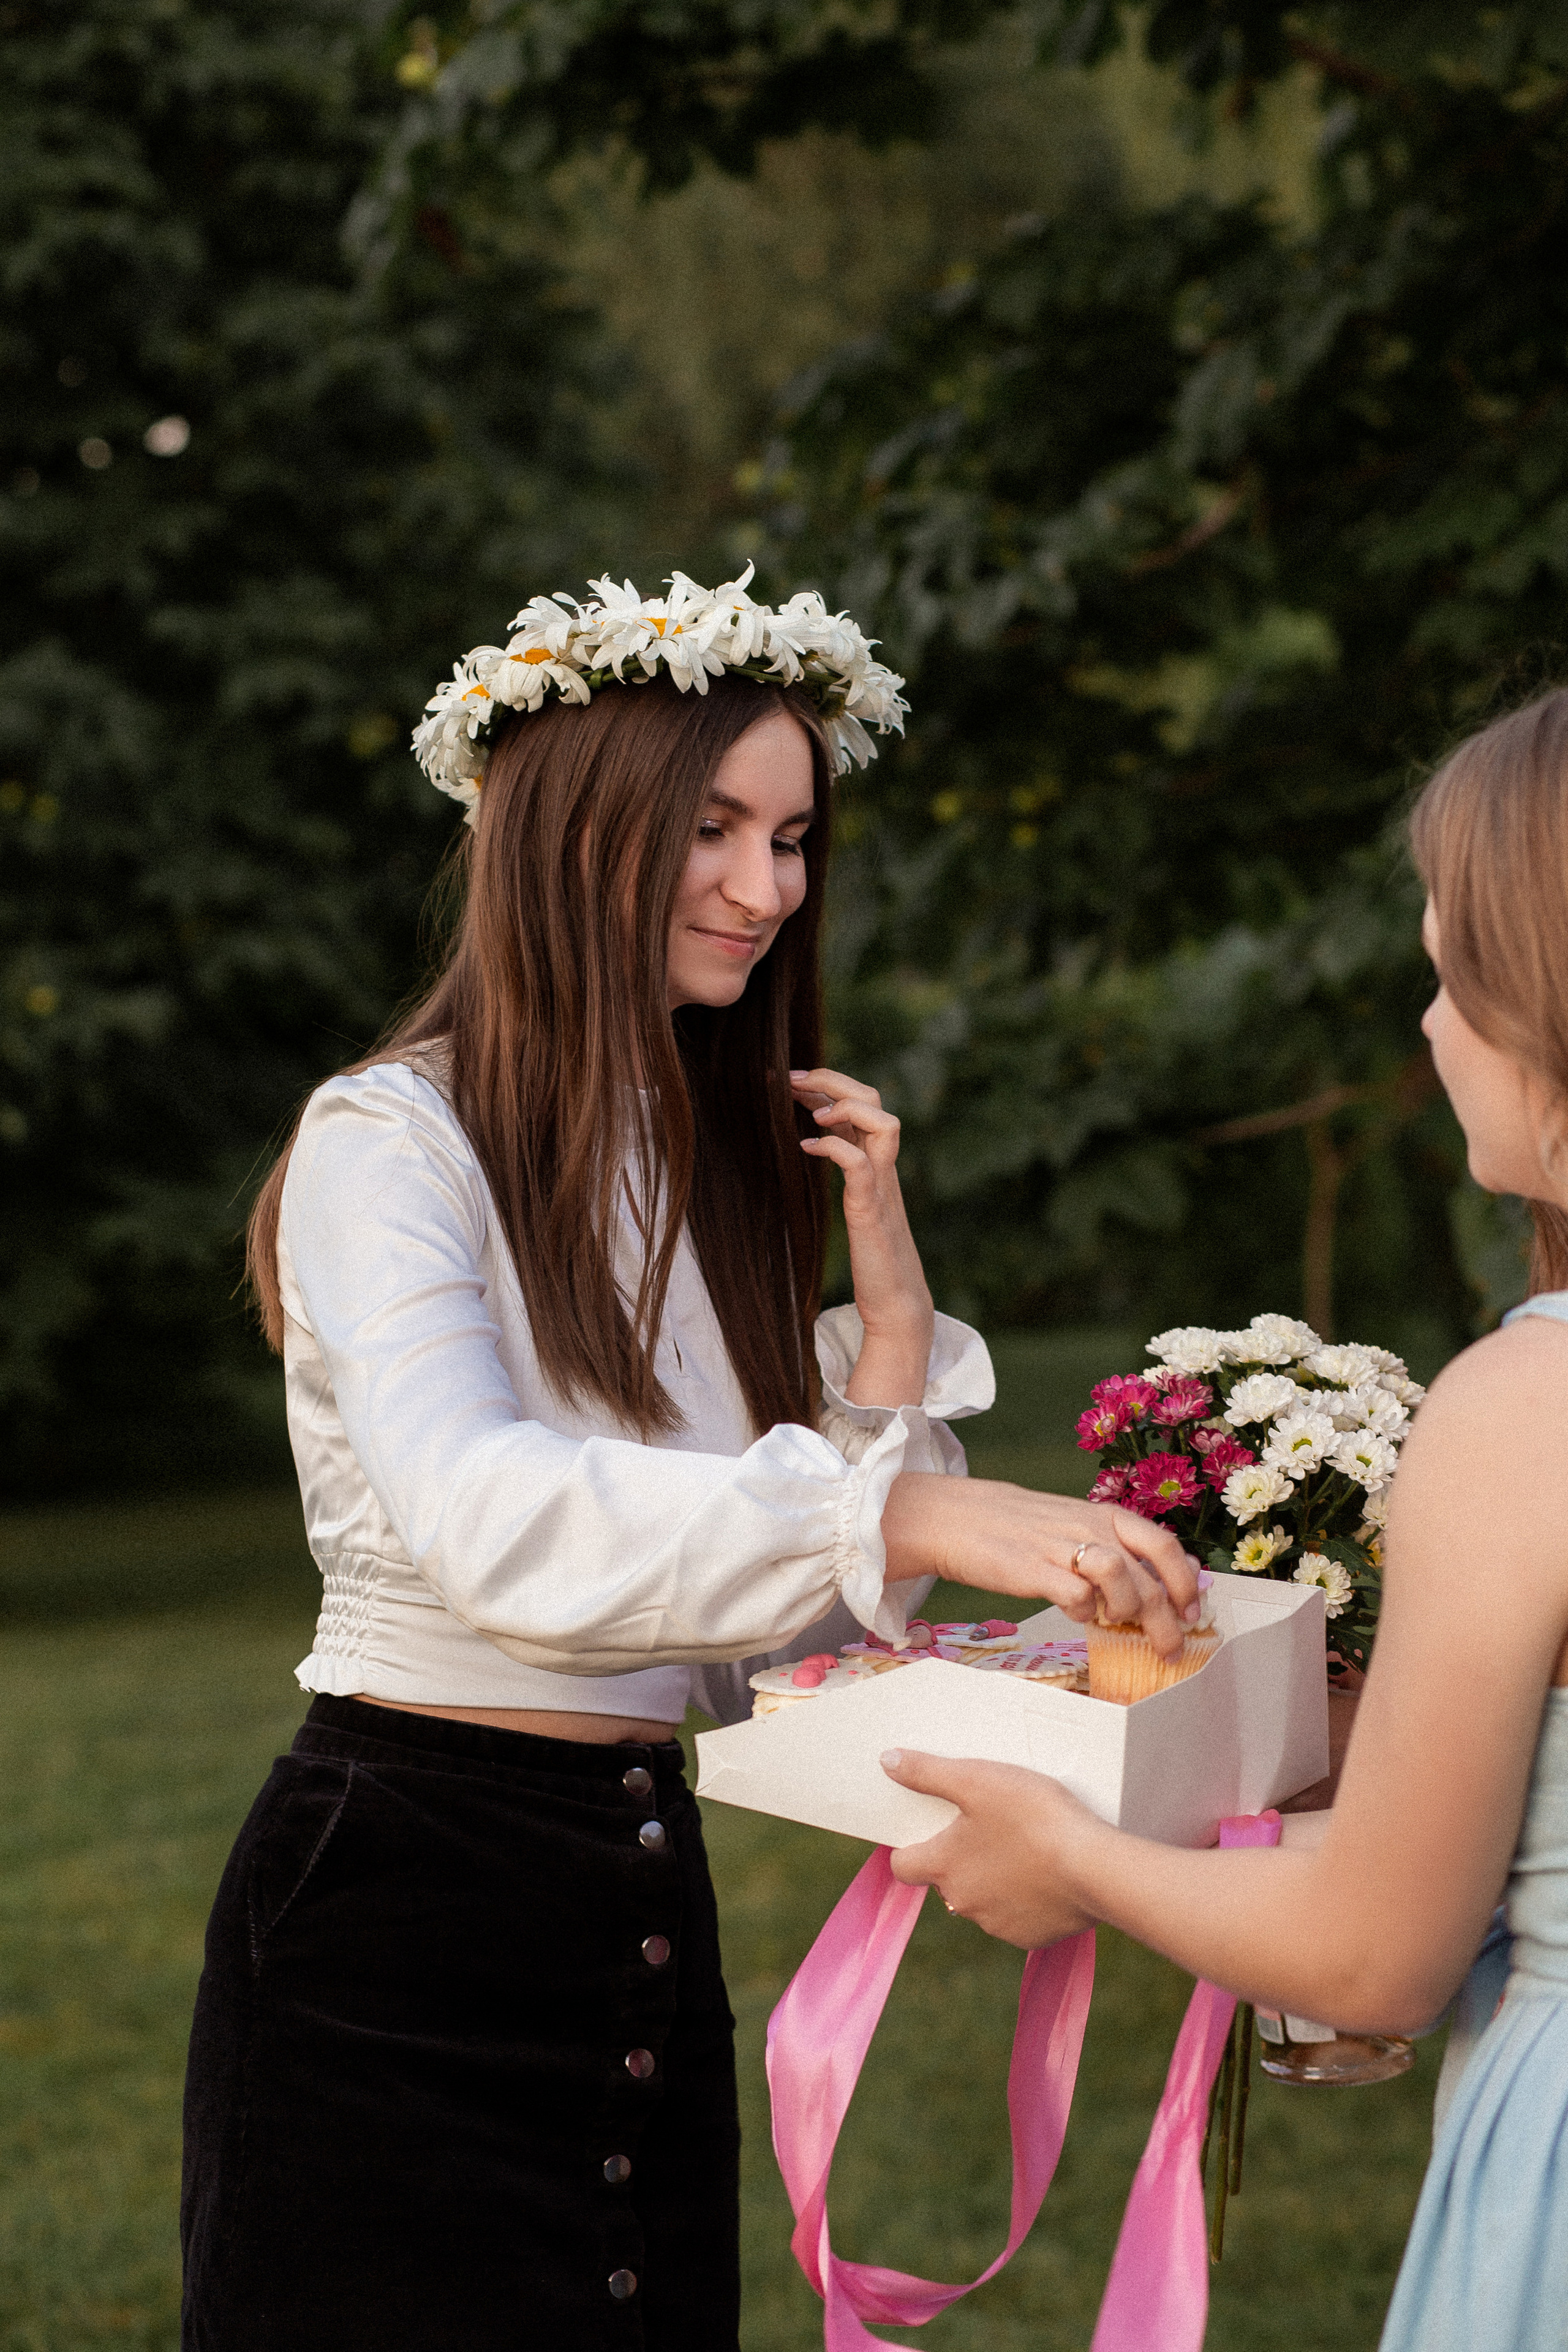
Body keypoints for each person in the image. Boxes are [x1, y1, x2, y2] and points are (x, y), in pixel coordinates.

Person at [180, 568, 1199, 2352]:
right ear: (571, 834)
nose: (767, 887)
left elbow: (770, 1640)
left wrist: (886, 1317)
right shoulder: (387, 1141)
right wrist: (921, 1502)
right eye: (713, 828)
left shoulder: (701, 1150)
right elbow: (499, 1523)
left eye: (796, 836)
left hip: (639, 1883)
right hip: (396, 1906)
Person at [883, 686, 1568, 2350]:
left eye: (1453, 974)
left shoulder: (1530, 1410)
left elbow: (1374, 1957)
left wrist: (1075, 1854)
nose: (1428, 1025)